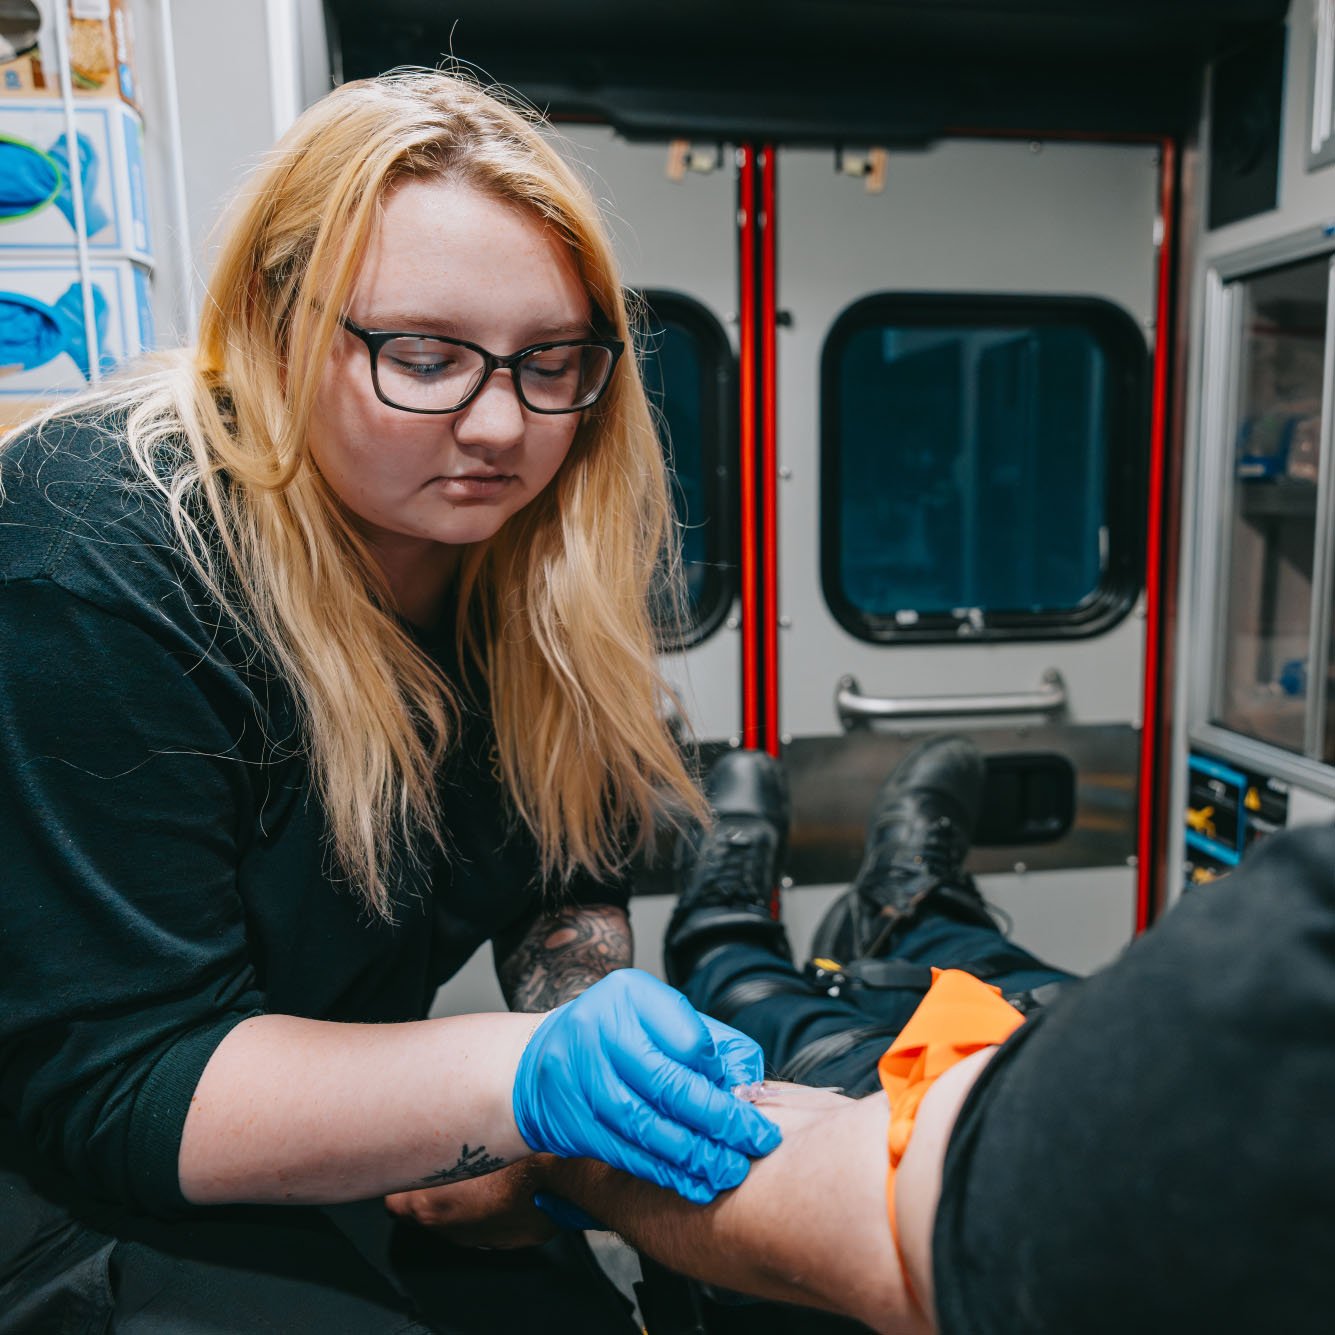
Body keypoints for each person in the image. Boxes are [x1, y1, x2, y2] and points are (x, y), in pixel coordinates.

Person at [0, 70, 784, 1334]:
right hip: (81, 1186)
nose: (498, 426)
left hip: (313, 1154)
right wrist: (518, 1078)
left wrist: (586, 1066)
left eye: (551, 364)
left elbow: (560, 863)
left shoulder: (521, 558)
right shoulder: (93, 546)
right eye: (423, 357)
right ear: (276, 323)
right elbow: (127, 1079)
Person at [392, 738, 1335, 1333]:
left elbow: (870, 1217)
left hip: (987, 1138)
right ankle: (913, 905)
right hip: (1063, 1052)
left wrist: (550, 1157)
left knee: (781, 1012)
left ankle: (725, 916)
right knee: (1002, 979)